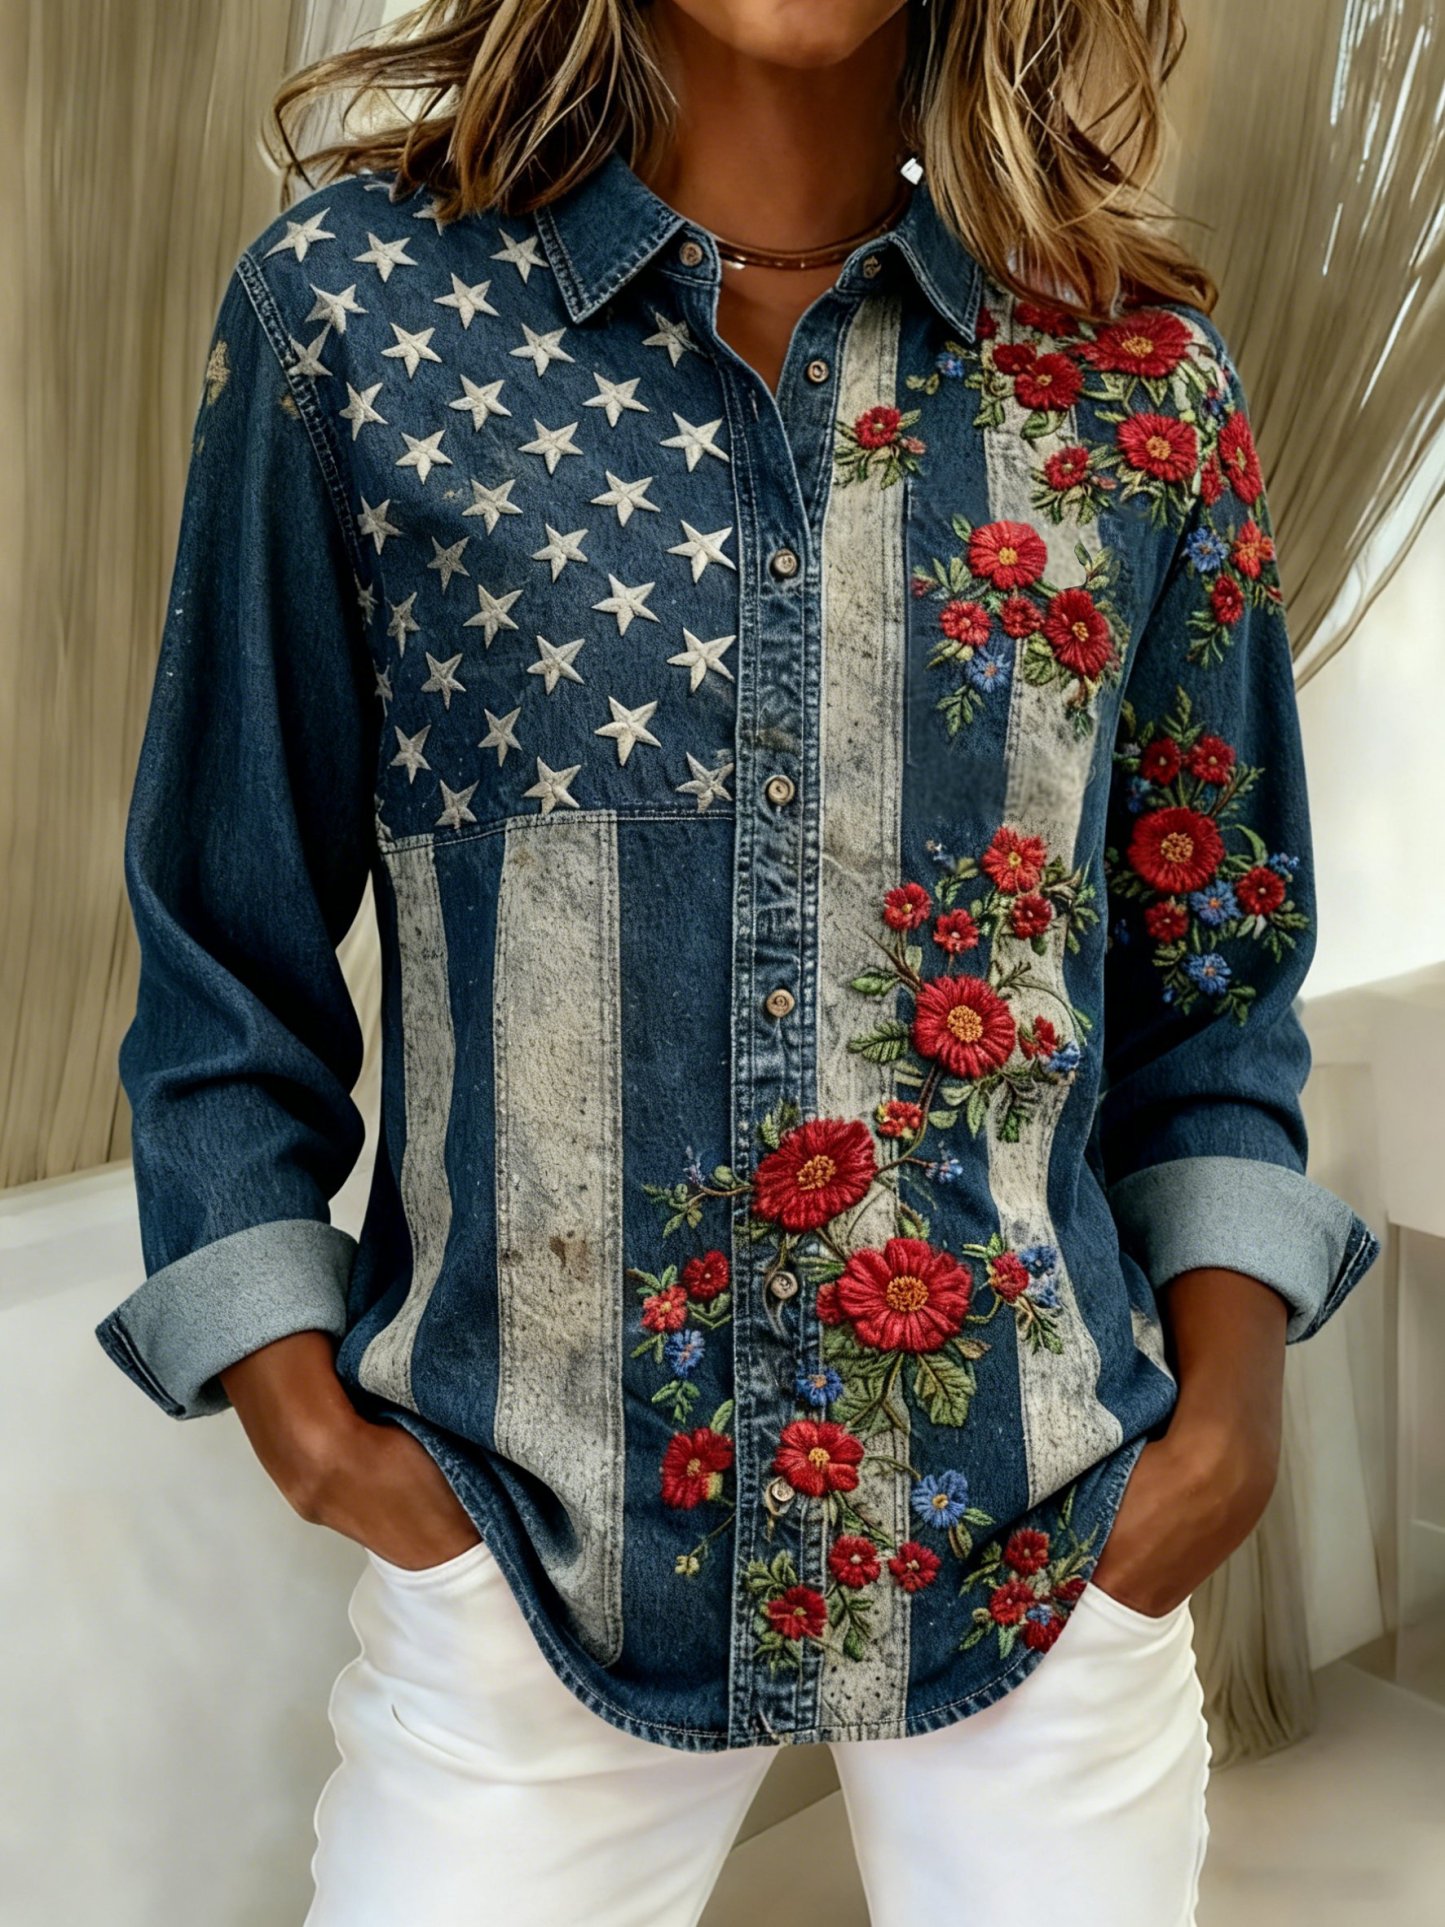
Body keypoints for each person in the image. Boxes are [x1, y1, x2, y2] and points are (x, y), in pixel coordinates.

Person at [94, 2, 1382, 1921]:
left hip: (1047, 1534)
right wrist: (306, 1422)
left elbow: (1214, 981)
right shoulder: (359, 319)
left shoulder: (1132, 388)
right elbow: (225, 924)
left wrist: (1227, 1438)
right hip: (528, 1551)